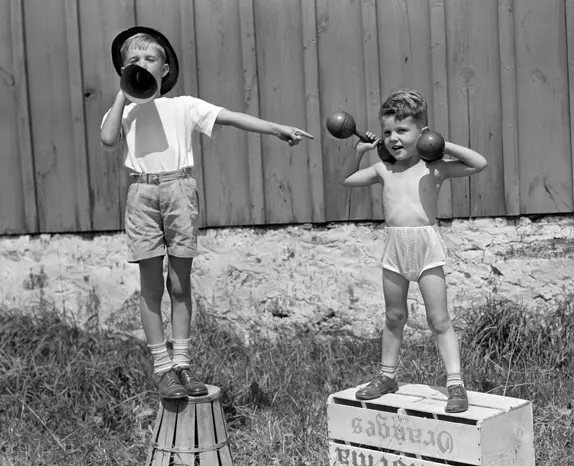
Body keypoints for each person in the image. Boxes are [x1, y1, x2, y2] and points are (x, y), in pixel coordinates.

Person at [101, 26, 312, 399]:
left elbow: (231, 117)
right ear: (121, 69)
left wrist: (275, 128)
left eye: (150, 59)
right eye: (132, 61)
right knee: (151, 287)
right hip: (142, 192)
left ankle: (182, 363)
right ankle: (162, 368)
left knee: (179, 283)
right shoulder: (126, 112)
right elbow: (106, 138)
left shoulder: (185, 105)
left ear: (165, 69)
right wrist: (123, 91)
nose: (142, 65)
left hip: (179, 189)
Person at [339, 89, 487, 412]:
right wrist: (360, 150)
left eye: (402, 130)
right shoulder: (383, 170)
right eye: (387, 131)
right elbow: (347, 178)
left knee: (439, 318)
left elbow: (479, 163)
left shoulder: (436, 168)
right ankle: (387, 376)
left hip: (425, 248)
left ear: (422, 132)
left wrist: (441, 145)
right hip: (394, 248)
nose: (393, 138)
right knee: (394, 316)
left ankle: (455, 383)